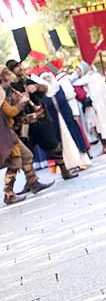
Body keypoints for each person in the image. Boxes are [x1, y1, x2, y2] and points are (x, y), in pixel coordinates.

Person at [5, 60, 77, 180]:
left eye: (19, 65)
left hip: (40, 120)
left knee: (54, 145)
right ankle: (31, 181)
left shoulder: (28, 80)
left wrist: (36, 87)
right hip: (23, 125)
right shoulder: (9, 89)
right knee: (26, 154)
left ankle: (64, 171)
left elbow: (45, 88)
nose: (19, 68)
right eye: (15, 67)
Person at [2, 67, 52, 204]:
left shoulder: (4, 93)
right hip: (4, 134)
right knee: (15, 160)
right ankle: (8, 193)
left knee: (27, 156)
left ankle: (33, 182)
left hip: (8, 131)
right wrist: (20, 104)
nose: (9, 82)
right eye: (7, 79)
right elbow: (10, 112)